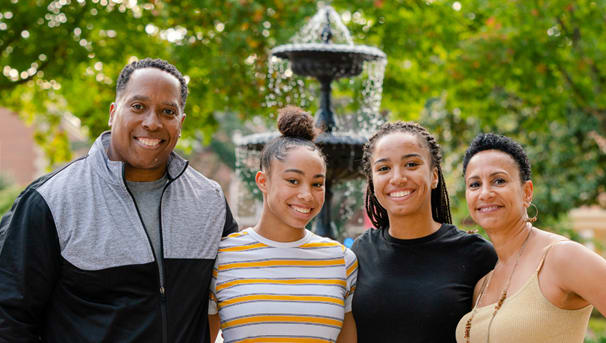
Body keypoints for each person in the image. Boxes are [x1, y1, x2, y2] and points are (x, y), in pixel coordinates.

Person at [0, 58, 238, 342]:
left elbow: (233, 294)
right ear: (113, 113)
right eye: (138, 107)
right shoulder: (51, 201)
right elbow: (9, 318)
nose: (152, 122)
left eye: (167, 111)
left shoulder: (209, 202)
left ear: (180, 122)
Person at [208, 106, 358, 343]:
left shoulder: (341, 260)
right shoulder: (222, 257)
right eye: (292, 180)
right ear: (263, 181)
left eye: (317, 184)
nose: (306, 195)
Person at [351, 121, 497, 342]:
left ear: (434, 176)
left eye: (411, 164)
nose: (397, 178)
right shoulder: (360, 252)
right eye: (383, 168)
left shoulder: (477, 255)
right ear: (372, 181)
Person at [455, 133, 606, 343]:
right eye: (474, 184)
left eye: (498, 181)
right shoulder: (482, 285)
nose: (485, 193)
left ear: (527, 192)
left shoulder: (562, 257)